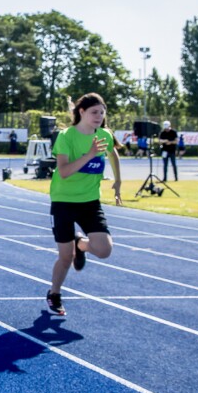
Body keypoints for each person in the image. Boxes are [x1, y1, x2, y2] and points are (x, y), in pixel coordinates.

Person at [45, 93, 123, 316]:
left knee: (104, 249)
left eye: (102, 112)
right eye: (94, 112)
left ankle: (81, 244)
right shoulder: (66, 136)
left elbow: (113, 153)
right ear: (82, 112)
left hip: (90, 201)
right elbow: (64, 171)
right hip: (63, 201)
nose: (99, 116)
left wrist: (118, 181)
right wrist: (90, 154)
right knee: (65, 256)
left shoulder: (104, 135)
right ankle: (55, 293)